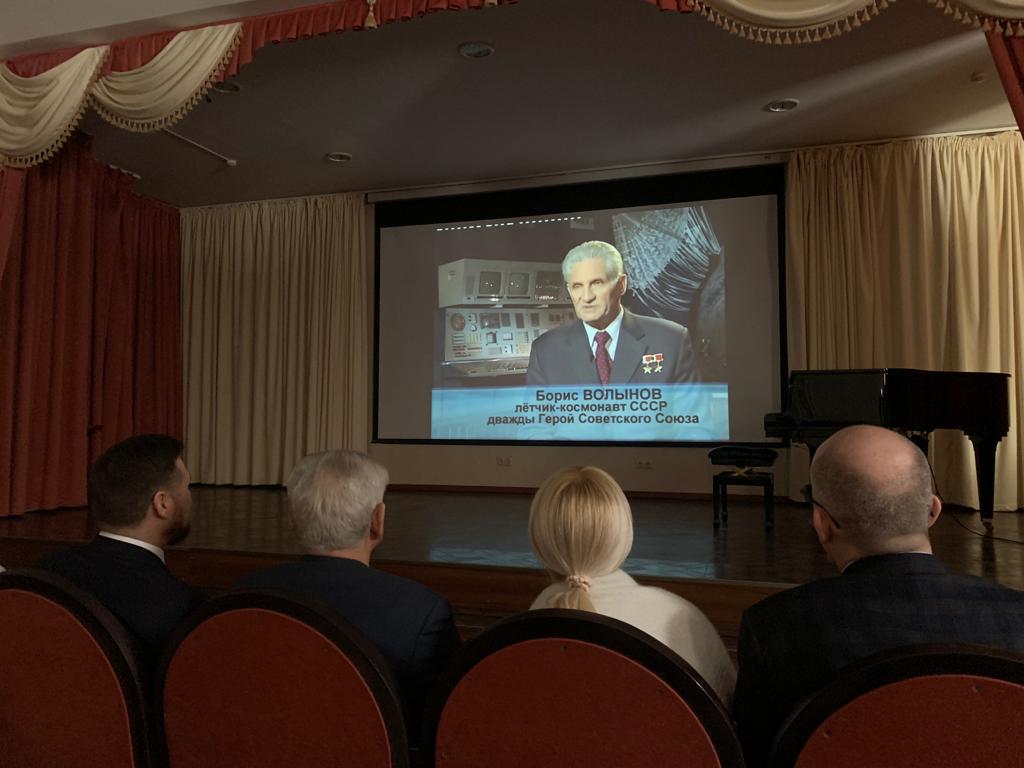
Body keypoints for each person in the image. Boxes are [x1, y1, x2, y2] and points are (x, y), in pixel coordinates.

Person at [733, 425, 1024, 767]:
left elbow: (755, 755)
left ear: (821, 523)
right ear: (933, 510)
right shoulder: (1016, 616)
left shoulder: (773, 627)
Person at [237, 450, 460, 723]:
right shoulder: (422, 613)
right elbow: (448, 719)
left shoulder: (245, 594)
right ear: (377, 520)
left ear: (293, 520)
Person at [528, 466, 736, 705]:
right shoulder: (680, 616)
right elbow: (728, 707)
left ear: (538, 540)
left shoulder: (523, 633)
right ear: (625, 535)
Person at [39, 434, 205, 652]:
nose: (190, 497)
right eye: (187, 487)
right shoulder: (183, 609)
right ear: (162, 503)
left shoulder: (46, 572)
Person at [526, 241, 699, 386]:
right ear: (569, 290)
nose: (586, 297)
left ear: (621, 285)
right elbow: (538, 418)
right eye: (577, 286)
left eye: (596, 283)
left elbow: (693, 416)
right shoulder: (545, 351)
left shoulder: (672, 340)